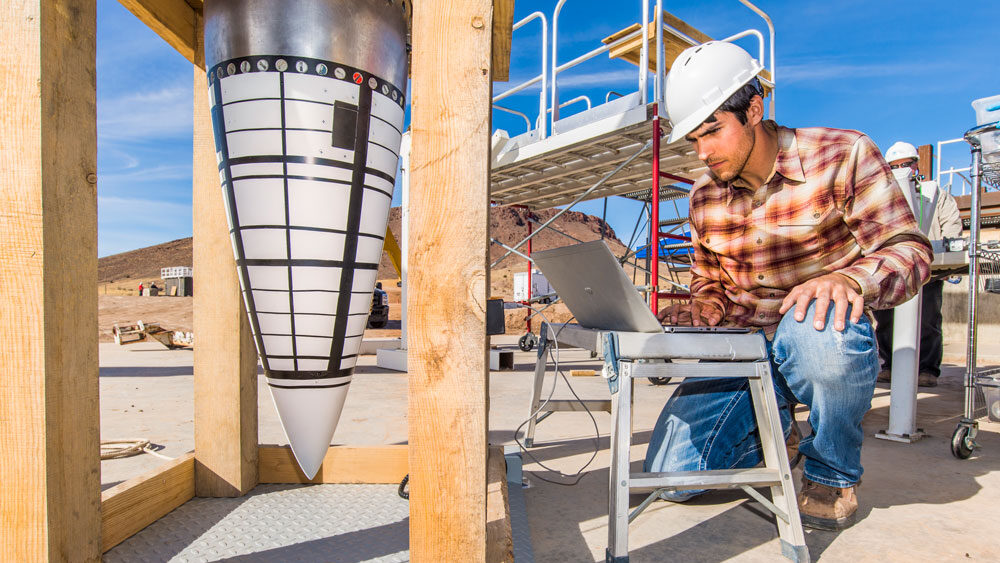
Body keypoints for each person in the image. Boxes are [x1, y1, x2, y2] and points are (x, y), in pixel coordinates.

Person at [645, 41, 932, 531]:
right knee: (673, 478)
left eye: (713, 131)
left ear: (754, 109)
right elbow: (708, 281)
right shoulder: (703, 197)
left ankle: (832, 472)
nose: (704, 152)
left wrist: (849, 280)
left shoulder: (844, 156)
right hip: (745, 350)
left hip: (821, 336)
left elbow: (910, 250)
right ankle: (777, 429)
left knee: (817, 335)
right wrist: (705, 309)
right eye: (694, 139)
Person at [874, 141, 963, 388]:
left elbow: (951, 226)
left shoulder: (935, 194)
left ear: (916, 165)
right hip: (891, 270)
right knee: (886, 319)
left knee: (927, 319)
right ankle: (890, 365)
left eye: (905, 165)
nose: (901, 170)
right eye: (894, 166)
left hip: (927, 269)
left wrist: (946, 253)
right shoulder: (883, 197)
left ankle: (927, 369)